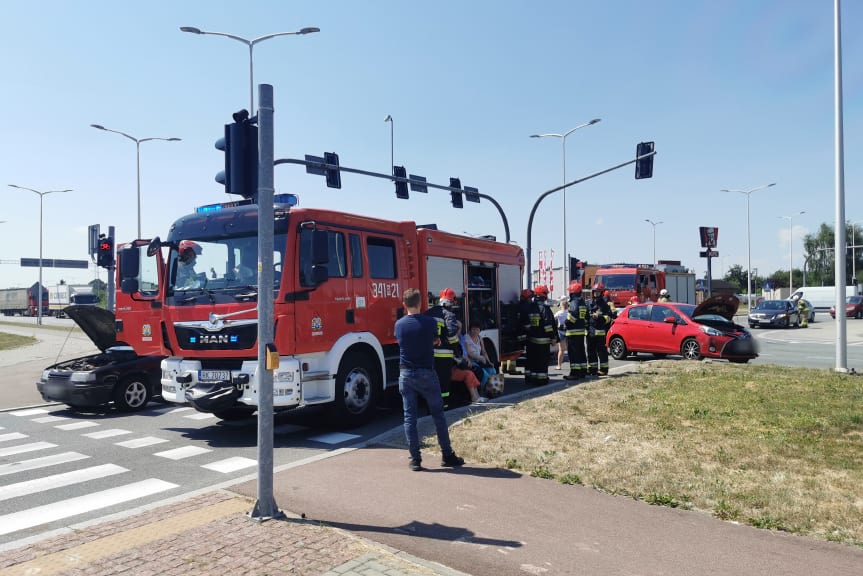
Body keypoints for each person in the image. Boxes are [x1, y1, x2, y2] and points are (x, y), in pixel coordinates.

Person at [394, 287, 465, 472]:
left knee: (410, 418)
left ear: (404, 305)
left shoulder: (399, 325)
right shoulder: (428, 323)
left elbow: (402, 343)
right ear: (420, 303)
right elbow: (436, 341)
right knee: (438, 415)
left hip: (406, 374)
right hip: (427, 372)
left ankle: (415, 459)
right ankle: (447, 455)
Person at [425, 288, 461, 408]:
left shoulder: (428, 313)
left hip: (429, 354)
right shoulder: (449, 315)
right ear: (452, 301)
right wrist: (457, 351)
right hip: (444, 355)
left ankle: (430, 406)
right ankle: (443, 406)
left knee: (431, 382)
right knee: (444, 382)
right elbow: (452, 336)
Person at [520, 284, 556, 385]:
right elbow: (548, 325)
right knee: (542, 361)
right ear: (543, 295)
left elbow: (525, 323)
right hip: (543, 341)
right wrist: (553, 337)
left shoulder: (529, 307)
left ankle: (530, 378)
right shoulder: (544, 308)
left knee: (532, 360)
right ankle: (541, 379)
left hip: (531, 340)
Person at [563, 281, 589, 381]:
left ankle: (574, 373)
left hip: (573, 332)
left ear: (573, 293)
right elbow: (586, 316)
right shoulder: (582, 302)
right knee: (581, 352)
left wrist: (565, 324)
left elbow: (572, 316)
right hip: (581, 332)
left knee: (573, 353)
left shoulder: (574, 302)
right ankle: (582, 371)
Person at [462, 321, 497, 392]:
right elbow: (468, 353)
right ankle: (481, 390)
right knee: (484, 374)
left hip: (480, 360)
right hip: (471, 360)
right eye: (473, 329)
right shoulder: (466, 337)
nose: (475, 331)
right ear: (470, 329)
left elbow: (484, 352)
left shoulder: (480, 338)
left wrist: (489, 362)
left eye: (477, 330)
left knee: (493, 370)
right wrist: (479, 358)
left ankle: (491, 391)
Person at [587, 283, 612, 376]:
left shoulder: (604, 305)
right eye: (595, 291)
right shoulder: (589, 303)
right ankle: (592, 369)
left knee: (601, 352)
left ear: (601, 293)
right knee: (590, 351)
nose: (596, 293)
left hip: (600, 333)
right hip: (590, 332)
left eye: (598, 292)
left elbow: (609, 318)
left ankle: (604, 369)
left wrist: (600, 317)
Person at [554, 299, 567, 369]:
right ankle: (573, 365)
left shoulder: (559, 313)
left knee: (561, 350)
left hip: (561, 332)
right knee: (570, 350)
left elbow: (553, 319)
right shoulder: (569, 312)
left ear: (561, 306)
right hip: (568, 332)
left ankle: (559, 365)